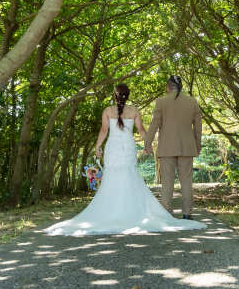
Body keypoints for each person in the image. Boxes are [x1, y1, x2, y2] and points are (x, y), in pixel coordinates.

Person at [44, 83, 205, 236]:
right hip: (128, 147)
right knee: (129, 175)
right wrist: (147, 145)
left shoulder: (107, 110)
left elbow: (104, 130)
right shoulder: (134, 110)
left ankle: (112, 211)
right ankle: (132, 211)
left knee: (112, 176)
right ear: (127, 96)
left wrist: (97, 146)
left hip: (113, 147)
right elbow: (142, 130)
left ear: (114, 96)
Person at [143, 75, 202, 219]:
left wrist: (147, 143)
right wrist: (197, 146)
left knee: (167, 182)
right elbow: (198, 128)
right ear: (181, 86)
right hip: (187, 147)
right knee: (187, 181)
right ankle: (187, 214)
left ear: (168, 87)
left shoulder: (161, 102)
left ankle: (167, 214)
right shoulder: (192, 101)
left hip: (167, 147)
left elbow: (154, 124)